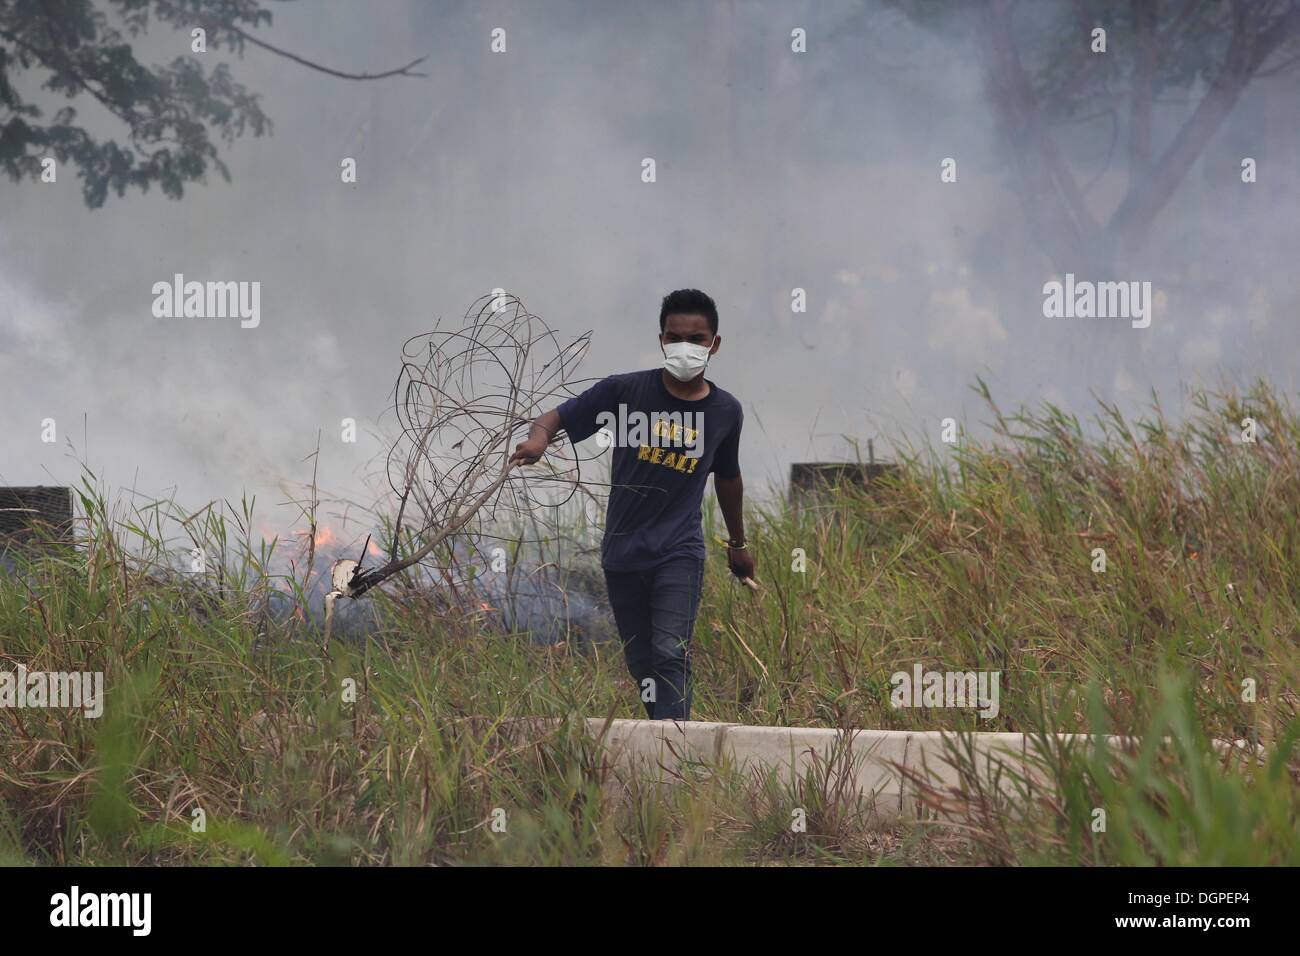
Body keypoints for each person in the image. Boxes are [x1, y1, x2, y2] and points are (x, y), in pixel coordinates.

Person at [510, 288, 753, 720]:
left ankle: (672, 750)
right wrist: (538, 440)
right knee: (641, 661)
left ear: (714, 344)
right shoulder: (626, 392)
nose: (685, 347)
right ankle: (659, 736)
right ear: (661, 339)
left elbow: (728, 478)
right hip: (622, 553)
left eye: (696, 339)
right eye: (674, 337)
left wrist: (737, 545)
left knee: (668, 651)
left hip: (678, 553)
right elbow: (556, 417)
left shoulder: (725, 411)